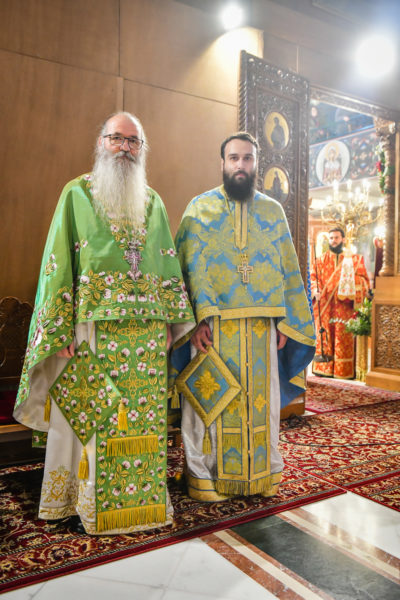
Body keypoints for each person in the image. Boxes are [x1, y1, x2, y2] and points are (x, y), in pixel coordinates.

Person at [13, 111, 194, 534]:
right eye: (117, 138)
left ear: (141, 149)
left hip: (147, 337)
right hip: (91, 332)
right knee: (92, 419)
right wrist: (59, 329)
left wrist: (172, 323)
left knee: (142, 423)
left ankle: (144, 503)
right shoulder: (76, 193)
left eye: (133, 141)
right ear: (101, 143)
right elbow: (57, 263)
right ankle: (84, 502)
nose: (124, 148)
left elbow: (167, 265)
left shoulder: (153, 201)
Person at [172, 132, 315, 502]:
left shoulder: (273, 212)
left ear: (256, 164)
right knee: (209, 405)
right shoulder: (199, 209)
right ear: (222, 163)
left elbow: (288, 271)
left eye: (247, 158)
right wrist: (193, 323)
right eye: (234, 158)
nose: (241, 165)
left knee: (258, 405)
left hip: (261, 330)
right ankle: (204, 477)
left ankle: (260, 475)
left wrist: (285, 321)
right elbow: (182, 271)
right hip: (213, 329)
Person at [310, 227, 369, 378]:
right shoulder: (320, 260)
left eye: (336, 238)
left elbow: (364, 281)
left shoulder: (354, 260)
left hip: (346, 307)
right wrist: (315, 290)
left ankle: (343, 370)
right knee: (325, 336)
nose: (333, 241)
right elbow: (313, 278)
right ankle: (324, 369)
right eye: (331, 238)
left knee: (343, 338)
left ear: (343, 239)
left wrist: (350, 285)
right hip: (325, 306)